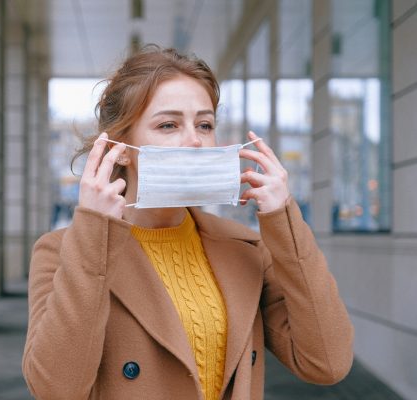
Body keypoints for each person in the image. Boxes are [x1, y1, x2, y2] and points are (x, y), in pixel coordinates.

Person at [22, 45, 353, 400]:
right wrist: (92, 233)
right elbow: (55, 388)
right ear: (122, 146)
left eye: (205, 124)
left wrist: (283, 221)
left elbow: (327, 363)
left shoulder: (246, 249)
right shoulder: (61, 252)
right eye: (169, 124)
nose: (195, 140)